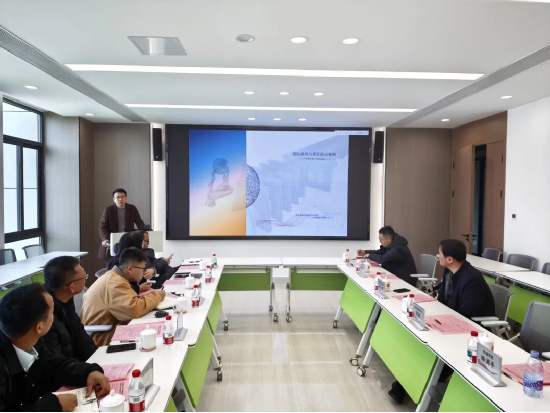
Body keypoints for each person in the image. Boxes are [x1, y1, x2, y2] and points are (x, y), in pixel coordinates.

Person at [388, 239, 496, 404]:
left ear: (450, 259)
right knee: (422, 343)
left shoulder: (472, 279)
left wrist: (443, 321)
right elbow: (443, 300)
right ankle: (404, 384)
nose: (438, 256)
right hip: (452, 322)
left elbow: (468, 314)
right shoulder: (449, 271)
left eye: (440, 254)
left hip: (472, 332)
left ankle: (405, 386)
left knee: (435, 351)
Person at [0, 284, 110, 412]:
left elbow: (55, 365)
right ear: (39, 327)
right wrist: (53, 406)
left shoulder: (29, 339)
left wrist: (88, 372)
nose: (54, 316)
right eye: (52, 312)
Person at [81, 247, 166, 347]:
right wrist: (157, 295)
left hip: (111, 328)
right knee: (154, 339)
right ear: (130, 269)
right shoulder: (115, 282)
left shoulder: (115, 277)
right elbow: (134, 309)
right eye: (143, 269)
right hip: (104, 337)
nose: (144, 272)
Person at [43, 256, 97, 362]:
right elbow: (57, 361)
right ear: (72, 287)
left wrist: (98, 361)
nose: (85, 279)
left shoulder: (66, 300)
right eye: (84, 276)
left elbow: (81, 337)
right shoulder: (45, 315)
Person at [98, 188, 145, 262]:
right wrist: (105, 238)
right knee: (112, 265)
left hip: (127, 241)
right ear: (114, 199)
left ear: (126, 198)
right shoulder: (108, 210)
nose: (120, 199)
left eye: (122, 197)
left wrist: (145, 233)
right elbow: (102, 226)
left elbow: (139, 222)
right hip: (112, 242)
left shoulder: (132, 208)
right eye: (118, 197)